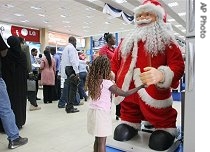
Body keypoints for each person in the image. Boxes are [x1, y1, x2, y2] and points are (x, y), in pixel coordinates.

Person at [111, 0, 185, 151]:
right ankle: (131, 123)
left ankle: (165, 128)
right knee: (127, 115)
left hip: (154, 92)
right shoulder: (127, 41)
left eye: (147, 14)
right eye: (139, 15)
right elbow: (115, 60)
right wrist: (110, 73)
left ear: (158, 17)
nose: (142, 18)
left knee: (159, 119)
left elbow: (177, 65)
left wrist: (162, 74)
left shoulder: (167, 41)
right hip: (128, 92)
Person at [87, 56, 144, 152]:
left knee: (97, 140)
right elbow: (124, 93)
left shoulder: (93, 81)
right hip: (101, 114)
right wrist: (140, 86)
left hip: (92, 113)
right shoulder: (107, 83)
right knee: (102, 142)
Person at [0, 34, 28, 149]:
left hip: (9, 83)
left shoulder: (8, 55)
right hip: (20, 84)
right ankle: (14, 136)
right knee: (6, 108)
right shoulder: (22, 54)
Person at [99, 32, 120, 120]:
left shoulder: (115, 49)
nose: (115, 40)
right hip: (107, 75)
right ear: (109, 40)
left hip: (116, 74)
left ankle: (118, 113)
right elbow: (104, 63)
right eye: (113, 38)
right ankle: (106, 112)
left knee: (118, 93)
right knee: (107, 94)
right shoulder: (104, 49)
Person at [58, 36, 80, 113]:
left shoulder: (65, 48)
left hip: (67, 70)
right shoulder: (71, 48)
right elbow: (73, 60)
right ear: (73, 41)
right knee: (73, 89)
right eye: (76, 42)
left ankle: (68, 106)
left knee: (68, 88)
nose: (76, 43)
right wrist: (77, 72)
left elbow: (63, 62)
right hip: (71, 69)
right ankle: (70, 107)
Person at [18, 37, 41, 111]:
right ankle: (33, 104)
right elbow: (28, 62)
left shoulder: (10, 49)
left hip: (17, 73)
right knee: (31, 88)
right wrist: (30, 73)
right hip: (27, 72)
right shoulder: (25, 47)